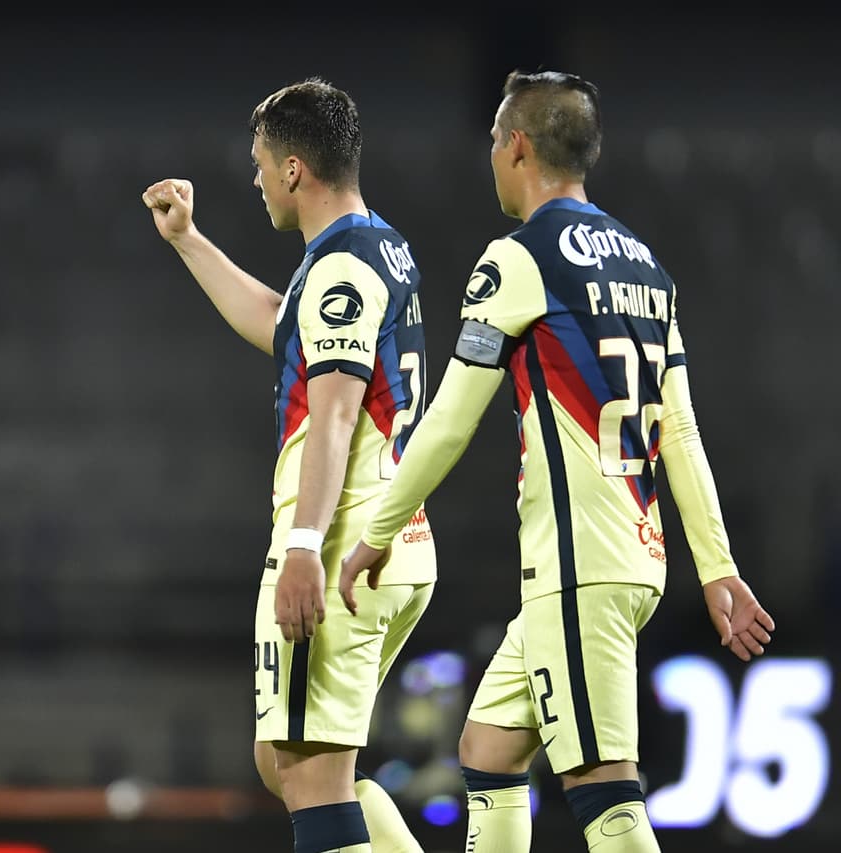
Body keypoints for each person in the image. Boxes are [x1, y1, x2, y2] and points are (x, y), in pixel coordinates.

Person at [338, 70, 776, 853]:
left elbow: (447, 421)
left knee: (603, 790)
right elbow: (680, 430)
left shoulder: (518, 259)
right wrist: (716, 565)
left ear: (516, 147)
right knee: (489, 747)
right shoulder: (648, 269)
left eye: (494, 146)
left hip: (580, 567)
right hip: (631, 557)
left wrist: (379, 527)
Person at [143, 77, 436, 853]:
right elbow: (280, 323)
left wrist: (304, 547)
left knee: (310, 777)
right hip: (395, 543)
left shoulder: (340, 269)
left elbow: (336, 412)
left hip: (338, 545)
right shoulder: (373, 245)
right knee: (283, 759)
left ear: (295, 169)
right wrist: (187, 238)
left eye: (261, 163)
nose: (257, 177)